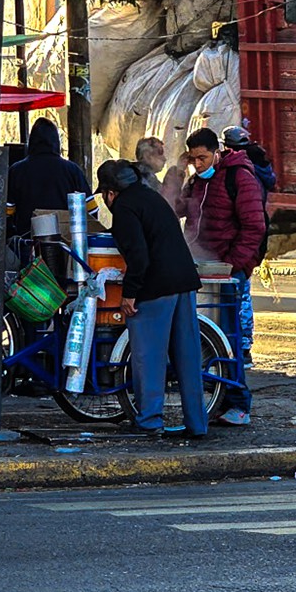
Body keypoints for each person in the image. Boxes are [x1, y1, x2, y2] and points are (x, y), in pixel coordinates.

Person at [94, 158, 209, 439]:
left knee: (149, 357)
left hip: (156, 288)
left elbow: (138, 257)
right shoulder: (152, 198)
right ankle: (197, 423)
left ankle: (149, 420)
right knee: (188, 357)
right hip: (183, 283)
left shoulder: (124, 208)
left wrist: (129, 294)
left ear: (111, 193)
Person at [174, 127, 264, 425]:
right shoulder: (196, 180)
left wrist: (234, 265)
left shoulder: (239, 177)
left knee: (229, 337)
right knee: (205, 338)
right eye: (193, 159)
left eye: (202, 158)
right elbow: (176, 209)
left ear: (217, 152)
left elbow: (254, 226)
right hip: (200, 267)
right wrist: (175, 176)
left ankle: (239, 403)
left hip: (227, 272)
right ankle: (219, 400)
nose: (198, 164)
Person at [6, 117, 91, 238]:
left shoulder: (16, 170)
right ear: (56, 142)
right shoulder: (72, 170)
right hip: (65, 243)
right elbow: (91, 210)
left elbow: (7, 211)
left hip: (28, 243)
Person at [133, 135, 184, 211]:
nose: (164, 158)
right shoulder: (143, 179)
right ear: (147, 156)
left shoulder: (139, 175)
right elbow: (165, 203)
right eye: (160, 152)